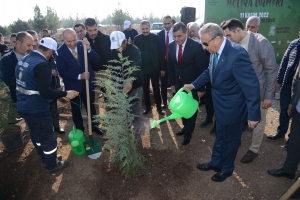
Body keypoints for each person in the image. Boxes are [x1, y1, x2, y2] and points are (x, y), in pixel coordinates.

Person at [183, 23, 261, 182]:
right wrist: (194, 84)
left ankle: (226, 169)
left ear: (217, 38)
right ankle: (216, 163)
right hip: (220, 105)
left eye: (205, 43)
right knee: (220, 137)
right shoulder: (215, 49)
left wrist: (253, 114)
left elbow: (252, 86)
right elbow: (209, 71)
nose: (204, 47)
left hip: (233, 108)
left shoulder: (237, 54)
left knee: (231, 141)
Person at [15, 37, 78, 173]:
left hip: (24, 106)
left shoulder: (25, 59)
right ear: (50, 51)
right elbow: (45, 92)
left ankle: (44, 156)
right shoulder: (41, 64)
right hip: (37, 108)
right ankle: (52, 164)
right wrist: (65, 94)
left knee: (36, 134)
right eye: (53, 53)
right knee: (48, 137)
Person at [222, 18, 277, 163]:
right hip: (239, 92)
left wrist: (268, 96)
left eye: (229, 35)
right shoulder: (234, 44)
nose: (227, 39)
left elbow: (271, 70)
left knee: (258, 121)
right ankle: (237, 139)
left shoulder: (260, 42)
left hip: (258, 93)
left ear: (238, 30)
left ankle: (254, 149)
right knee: (239, 116)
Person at [56, 28, 104, 135]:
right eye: (69, 41)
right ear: (63, 39)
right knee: (76, 109)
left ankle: (94, 126)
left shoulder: (83, 45)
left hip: (88, 84)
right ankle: (80, 130)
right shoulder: (59, 52)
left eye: (74, 39)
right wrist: (79, 76)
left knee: (91, 107)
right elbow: (62, 71)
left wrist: (89, 49)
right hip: (73, 87)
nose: (73, 43)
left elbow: (96, 59)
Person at [168, 22, 206, 145]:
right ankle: (185, 127)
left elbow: (202, 68)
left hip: (193, 85)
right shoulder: (171, 46)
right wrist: (172, 83)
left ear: (186, 33)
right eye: (174, 36)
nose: (177, 39)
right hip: (178, 84)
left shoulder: (195, 46)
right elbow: (172, 66)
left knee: (191, 109)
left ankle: (188, 133)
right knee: (181, 107)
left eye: (179, 36)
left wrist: (200, 88)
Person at [267, 62, 300, 199]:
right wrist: (293, 102)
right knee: (294, 144)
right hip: (299, 111)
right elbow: (296, 79)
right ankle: (289, 170)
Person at [109, 31, 144, 138]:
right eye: (115, 47)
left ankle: (137, 134)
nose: (117, 49)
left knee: (136, 111)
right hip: (120, 86)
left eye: (119, 46)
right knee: (124, 110)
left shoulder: (135, 51)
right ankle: (125, 133)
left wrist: (130, 81)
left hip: (135, 85)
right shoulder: (113, 51)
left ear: (125, 41)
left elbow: (136, 66)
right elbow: (112, 68)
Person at [267, 38, 300, 141]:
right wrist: (279, 80)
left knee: (295, 112)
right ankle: (281, 132)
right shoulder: (294, 43)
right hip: (287, 84)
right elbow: (284, 62)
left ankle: (292, 139)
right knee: (284, 110)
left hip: (298, 88)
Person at [133, 20, 165, 115]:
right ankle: (147, 106)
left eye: (147, 28)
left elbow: (160, 53)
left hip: (154, 68)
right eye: (143, 29)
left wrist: (162, 68)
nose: (145, 30)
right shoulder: (137, 39)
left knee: (156, 88)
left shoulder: (156, 37)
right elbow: (135, 54)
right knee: (145, 89)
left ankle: (159, 107)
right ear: (140, 28)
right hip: (143, 69)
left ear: (150, 27)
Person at [0, 32, 34, 102]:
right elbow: (8, 80)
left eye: (32, 45)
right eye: (28, 45)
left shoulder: (34, 56)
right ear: (18, 43)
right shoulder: (7, 59)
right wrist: (30, 79)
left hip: (37, 100)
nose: (31, 48)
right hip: (20, 100)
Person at [157, 15, 174, 108]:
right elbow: (159, 53)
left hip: (174, 64)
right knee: (163, 84)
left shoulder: (176, 34)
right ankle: (164, 102)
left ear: (172, 23)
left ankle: (175, 103)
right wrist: (162, 67)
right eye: (164, 23)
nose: (167, 25)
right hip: (163, 64)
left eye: (168, 23)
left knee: (174, 83)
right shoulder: (159, 35)